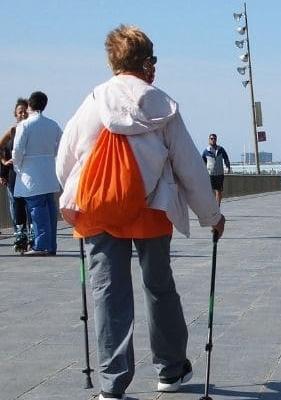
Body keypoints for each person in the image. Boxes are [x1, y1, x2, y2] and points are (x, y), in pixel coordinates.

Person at [55, 25, 226, 399]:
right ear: (147, 62)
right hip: (152, 209)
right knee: (159, 287)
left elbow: (64, 163)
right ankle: (169, 369)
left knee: (108, 293)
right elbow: (190, 168)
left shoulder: (91, 104)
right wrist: (211, 216)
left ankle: (112, 384)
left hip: (100, 211)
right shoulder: (162, 105)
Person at [9, 91, 62, 256]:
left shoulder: (25, 125)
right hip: (48, 171)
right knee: (51, 209)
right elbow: (60, 145)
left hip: (31, 172)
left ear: (30, 105)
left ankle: (40, 245)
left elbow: (17, 150)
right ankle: (51, 244)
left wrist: (17, 166)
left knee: (36, 210)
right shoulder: (53, 124)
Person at [1, 99, 31, 248]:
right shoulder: (13, 130)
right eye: (20, 112)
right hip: (13, 173)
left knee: (28, 205)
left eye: (25, 110)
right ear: (15, 114)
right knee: (16, 204)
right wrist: (4, 162)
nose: (23, 114)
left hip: (29, 173)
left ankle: (31, 234)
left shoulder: (32, 128)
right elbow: (0, 147)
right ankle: (19, 234)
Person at [201, 133, 231, 206]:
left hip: (219, 174)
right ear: (209, 140)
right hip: (210, 174)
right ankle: (211, 206)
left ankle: (217, 207)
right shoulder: (206, 151)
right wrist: (202, 171)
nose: (213, 140)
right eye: (211, 138)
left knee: (219, 191)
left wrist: (228, 167)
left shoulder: (221, 149)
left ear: (216, 140)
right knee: (209, 191)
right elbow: (202, 162)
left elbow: (226, 158)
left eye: (214, 138)